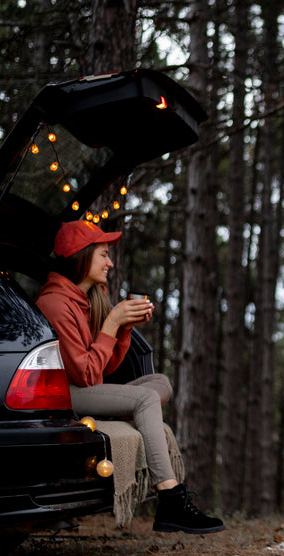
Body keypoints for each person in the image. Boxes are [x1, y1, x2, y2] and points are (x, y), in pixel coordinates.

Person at [36, 219, 224, 534]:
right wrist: (111, 324)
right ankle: (170, 499)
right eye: (104, 255)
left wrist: (124, 329)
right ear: (82, 256)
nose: (110, 262)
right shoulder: (55, 303)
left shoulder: (82, 300)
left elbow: (104, 369)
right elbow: (85, 375)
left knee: (161, 382)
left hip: (86, 386)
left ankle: (139, 416)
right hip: (66, 394)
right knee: (147, 398)